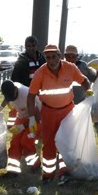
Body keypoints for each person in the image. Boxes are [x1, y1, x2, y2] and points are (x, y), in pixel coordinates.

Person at [27, 44, 91, 185]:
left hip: (67, 111)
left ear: (60, 56)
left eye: (54, 56)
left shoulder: (70, 68)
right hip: (48, 112)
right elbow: (31, 96)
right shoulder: (40, 73)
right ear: (45, 58)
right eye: (48, 57)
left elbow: (84, 81)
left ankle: (64, 173)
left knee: (66, 143)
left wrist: (89, 93)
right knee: (49, 143)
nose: (51, 60)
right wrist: (31, 118)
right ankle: (48, 175)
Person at [0, 80, 41, 176]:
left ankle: (35, 165)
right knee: (15, 142)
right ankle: (12, 170)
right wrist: (0, 108)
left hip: (36, 119)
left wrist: (22, 126)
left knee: (26, 141)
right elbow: (7, 98)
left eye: (11, 96)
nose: (11, 99)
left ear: (15, 90)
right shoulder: (11, 91)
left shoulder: (26, 95)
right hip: (22, 116)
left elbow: (37, 117)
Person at [7, 35, 46, 129]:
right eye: (28, 46)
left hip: (40, 92)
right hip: (26, 93)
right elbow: (14, 79)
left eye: (33, 45)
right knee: (23, 114)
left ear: (36, 46)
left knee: (40, 113)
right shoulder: (21, 60)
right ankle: (16, 129)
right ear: (25, 47)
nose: (31, 48)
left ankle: (37, 132)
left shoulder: (42, 59)